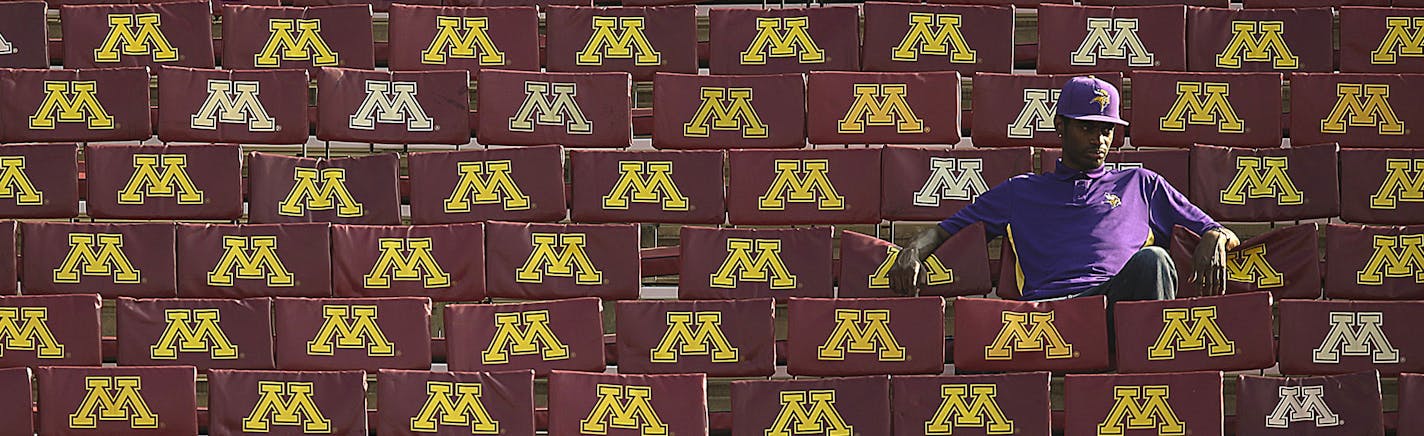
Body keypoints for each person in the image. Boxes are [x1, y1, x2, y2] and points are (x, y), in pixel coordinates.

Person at [888, 76, 1240, 308]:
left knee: (1156, 261)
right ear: (1060, 126)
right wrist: (911, 251)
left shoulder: (1140, 183)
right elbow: (944, 231)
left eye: (1107, 130)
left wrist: (1213, 235)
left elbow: (1221, 233)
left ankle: (1155, 377)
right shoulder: (1020, 192)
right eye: (1087, 128)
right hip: (1050, 314)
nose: (1098, 139)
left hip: (1115, 306)